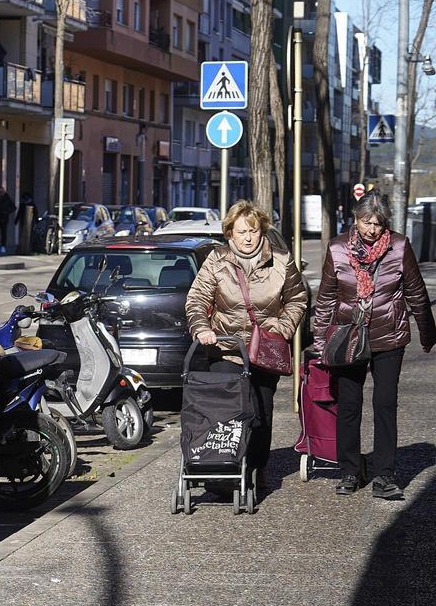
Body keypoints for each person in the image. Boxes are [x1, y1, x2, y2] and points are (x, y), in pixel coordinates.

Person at [312, 191, 435, 500]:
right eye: (366, 222)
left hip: (389, 335)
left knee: (385, 403)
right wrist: (319, 342)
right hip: (348, 336)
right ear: (356, 220)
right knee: (350, 405)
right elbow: (326, 298)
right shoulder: (338, 248)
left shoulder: (399, 246)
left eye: (378, 224)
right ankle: (350, 471)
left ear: (385, 224)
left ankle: (385, 474)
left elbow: (416, 292)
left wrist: (427, 333)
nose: (371, 230)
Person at [185, 200, 308, 491]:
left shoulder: (280, 260)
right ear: (230, 233)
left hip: (265, 350)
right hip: (225, 350)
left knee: (260, 414)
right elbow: (197, 300)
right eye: (241, 231)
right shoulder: (216, 260)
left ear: (261, 231)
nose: (248, 237)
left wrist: (280, 328)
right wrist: (202, 328)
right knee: (225, 412)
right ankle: (222, 469)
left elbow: (297, 299)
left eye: (252, 230)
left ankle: (255, 467)